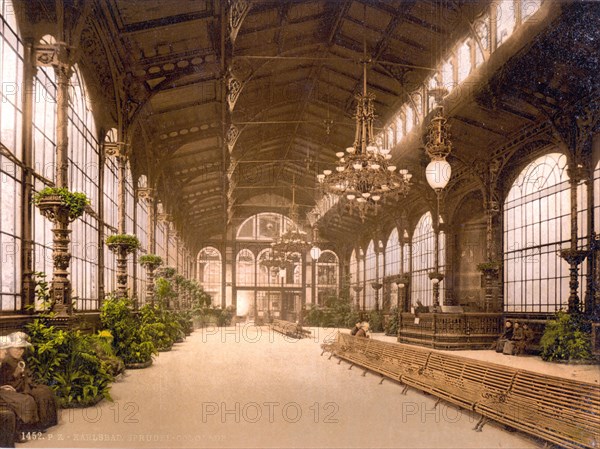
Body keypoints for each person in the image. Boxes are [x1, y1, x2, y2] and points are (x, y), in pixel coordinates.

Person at [0, 332, 58, 431]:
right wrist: (16, 374)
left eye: (22, 349)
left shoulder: (18, 359)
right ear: (9, 349)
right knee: (34, 396)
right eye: (17, 349)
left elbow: (27, 374)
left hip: (23, 384)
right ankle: (30, 426)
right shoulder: (5, 360)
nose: (20, 352)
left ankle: (45, 422)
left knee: (45, 391)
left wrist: (26, 378)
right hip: (13, 386)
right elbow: (5, 379)